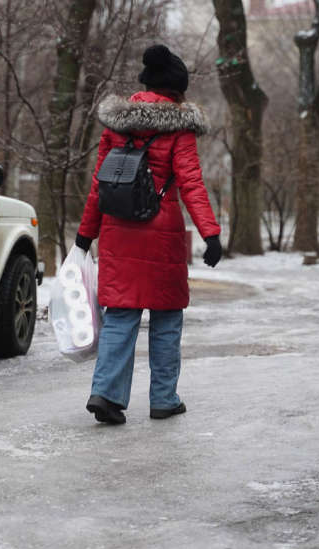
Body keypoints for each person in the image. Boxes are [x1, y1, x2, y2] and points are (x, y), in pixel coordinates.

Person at [75, 44, 222, 425]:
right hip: (161, 236)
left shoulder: (117, 125)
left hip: (118, 232)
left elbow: (99, 186)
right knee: (167, 317)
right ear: (176, 90)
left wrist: (84, 237)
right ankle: (163, 399)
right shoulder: (178, 128)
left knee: (121, 314)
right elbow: (191, 184)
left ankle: (106, 394)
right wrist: (211, 234)